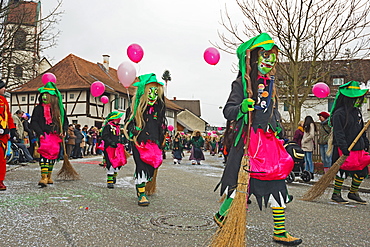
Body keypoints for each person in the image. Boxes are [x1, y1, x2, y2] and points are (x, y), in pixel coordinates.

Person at [213, 33, 302, 245]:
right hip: (248, 145)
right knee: (241, 188)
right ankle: (222, 215)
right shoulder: (241, 85)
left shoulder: (271, 85)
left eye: (272, 57)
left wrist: (286, 140)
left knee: (277, 182)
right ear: (253, 58)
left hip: (269, 145)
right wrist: (242, 108)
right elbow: (228, 110)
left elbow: (275, 117)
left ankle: (280, 231)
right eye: (265, 56)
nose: (270, 62)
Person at [123, 73, 167, 206]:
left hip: (154, 143)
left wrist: (163, 137)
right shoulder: (133, 109)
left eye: (156, 91)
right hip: (139, 142)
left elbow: (160, 124)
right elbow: (128, 124)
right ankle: (141, 194)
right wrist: (133, 131)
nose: (153, 95)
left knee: (152, 167)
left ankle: (146, 185)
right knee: (141, 166)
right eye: (150, 91)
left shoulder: (159, 109)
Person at [329, 80, 369, 204]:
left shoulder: (357, 112)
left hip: (358, 147)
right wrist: (343, 147)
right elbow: (338, 132)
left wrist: (365, 142)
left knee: (362, 171)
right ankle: (336, 194)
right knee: (342, 171)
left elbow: (361, 129)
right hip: (344, 147)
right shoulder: (339, 113)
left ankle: (353, 192)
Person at [30, 81, 68, 187]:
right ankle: (44, 177)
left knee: (52, 157)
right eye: (43, 95)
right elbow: (34, 122)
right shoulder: (39, 108)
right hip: (44, 135)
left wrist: (63, 131)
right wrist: (40, 133)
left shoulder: (59, 110)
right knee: (44, 156)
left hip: (55, 136)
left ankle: (49, 176)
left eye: (47, 95)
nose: (44, 97)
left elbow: (65, 122)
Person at [101, 111, 126, 189]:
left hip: (118, 147)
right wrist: (111, 142)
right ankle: (110, 181)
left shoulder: (118, 127)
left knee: (119, 163)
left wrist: (122, 142)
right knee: (111, 163)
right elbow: (104, 136)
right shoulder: (108, 127)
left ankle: (114, 175)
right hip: (109, 148)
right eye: (118, 118)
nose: (119, 119)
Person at [0, 80, 16, 190]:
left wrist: (12, 128)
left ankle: (0, 180)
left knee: (2, 158)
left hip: (3, 135)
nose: (5, 89)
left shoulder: (4, 100)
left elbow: (8, 116)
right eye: (3, 87)